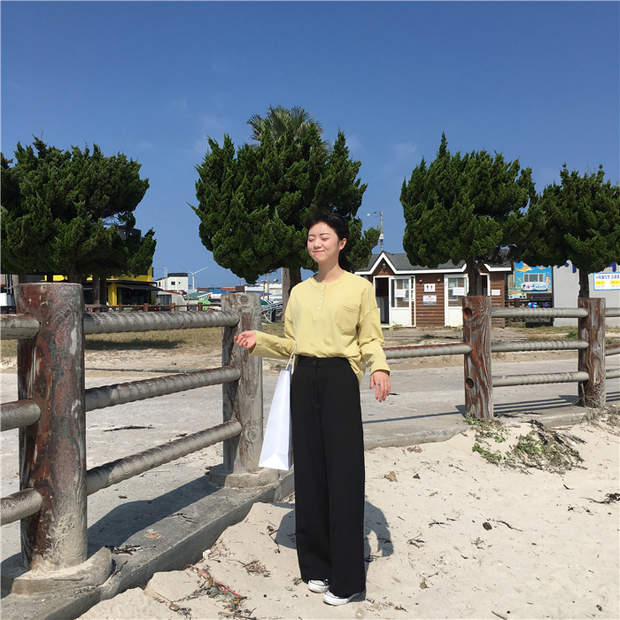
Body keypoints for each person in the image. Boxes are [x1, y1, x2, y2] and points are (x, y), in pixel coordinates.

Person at [234, 212, 390, 606]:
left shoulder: (359, 289)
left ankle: (348, 579)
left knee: (344, 472)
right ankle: (316, 566)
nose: (316, 243)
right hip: (303, 378)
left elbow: (370, 339)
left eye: (324, 237)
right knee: (310, 472)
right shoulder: (300, 293)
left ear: (342, 243)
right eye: (311, 238)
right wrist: (260, 340)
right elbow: (292, 343)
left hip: (339, 378)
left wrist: (379, 368)